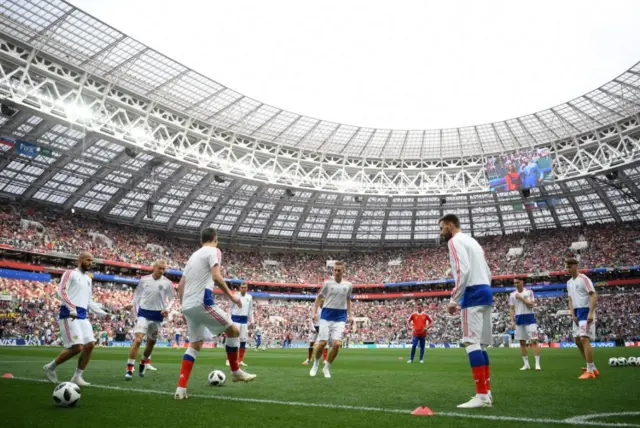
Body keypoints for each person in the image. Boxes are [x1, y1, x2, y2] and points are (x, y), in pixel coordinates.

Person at [174, 228, 256, 400]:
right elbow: (217, 277)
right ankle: (235, 371)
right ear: (215, 239)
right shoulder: (214, 251)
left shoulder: (193, 256)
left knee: (195, 344)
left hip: (188, 305)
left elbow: (181, 284)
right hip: (203, 301)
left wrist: (183, 307)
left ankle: (181, 389)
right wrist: (232, 297)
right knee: (233, 330)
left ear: (201, 240)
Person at [440, 214, 493, 409]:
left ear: (450, 225)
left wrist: (454, 299)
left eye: (442, 228)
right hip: (486, 290)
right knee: (481, 345)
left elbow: (463, 270)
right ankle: (486, 392)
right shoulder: (474, 242)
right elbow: (488, 271)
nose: (441, 232)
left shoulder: (455, 241)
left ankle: (481, 396)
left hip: (473, 292)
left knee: (471, 342)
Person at [43, 252, 108, 386]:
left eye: (92, 261)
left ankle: (77, 377)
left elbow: (89, 301)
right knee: (77, 347)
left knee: (90, 344)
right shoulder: (70, 273)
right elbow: (61, 291)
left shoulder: (89, 279)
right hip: (69, 314)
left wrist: (104, 314)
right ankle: (50, 367)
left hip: (83, 315)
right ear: (80, 260)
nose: (90, 263)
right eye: (87, 260)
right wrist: (72, 308)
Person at [124, 260, 175, 380]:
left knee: (151, 343)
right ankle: (129, 369)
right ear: (154, 267)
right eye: (160, 268)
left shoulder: (167, 283)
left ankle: (143, 362)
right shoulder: (144, 279)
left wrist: (167, 309)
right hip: (143, 313)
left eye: (164, 269)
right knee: (138, 340)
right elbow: (137, 294)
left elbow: (172, 298)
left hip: (158, 316)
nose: (162, 271)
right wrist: (132, 304)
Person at [310, 261, 352, 379]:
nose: (336, 272)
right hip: (327, 314)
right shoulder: (327, 283)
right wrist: (314, 312)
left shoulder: (348, 285)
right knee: (322, 343)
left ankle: (327, 367)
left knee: (337, 344)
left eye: (339, 270)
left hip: (340, 316)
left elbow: (348, 299)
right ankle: (316, 363)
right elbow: (319, 297)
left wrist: (350, 315)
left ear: (343, 271)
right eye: (335, 270)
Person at [566, 258, 599, 379]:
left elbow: (594, 294)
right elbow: (570, 298)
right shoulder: (569, 282)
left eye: (570, 266)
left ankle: (590, 371)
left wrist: (591, 313)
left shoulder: (584, 279)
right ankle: (592, 367)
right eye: (567, 267)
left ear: (575, 266)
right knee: (577, 340)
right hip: (576, 313)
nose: (568, 269)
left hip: (585, 311)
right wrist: (571, 313)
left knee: (584, 338)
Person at [509, 278, 541, 371]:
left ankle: (537, 364)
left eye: (518, 282)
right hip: (519, 319)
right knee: (522, 343)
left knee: (534, 341)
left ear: (522, 282)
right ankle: (526, 364)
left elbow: (531, 304)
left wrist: (521, 298)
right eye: (514, 283)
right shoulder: (512, 294)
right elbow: (511, 308)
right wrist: (512, 321)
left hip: (530, 318)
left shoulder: (529, 292)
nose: (516, 284)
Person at [226, 283, 253, 367]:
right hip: (235, 320)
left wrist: (252, 320)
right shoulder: (235, 296)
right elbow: (230, 308)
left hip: (244, 321)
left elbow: (250, 309)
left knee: (243, 341)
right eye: (242, 287)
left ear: (247, 288)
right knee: (233, 340)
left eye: (245, 287)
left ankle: (240, 360)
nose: (243, 289)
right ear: (239, 288)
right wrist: (229, 320)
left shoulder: (249, 297)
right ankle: (228, 359)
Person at [303, 296, 328, 365]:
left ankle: (325, 360)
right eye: (321, 301)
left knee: (325, 344)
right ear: (319, 302)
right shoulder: (316, 309)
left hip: (323, 327)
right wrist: (313, 328)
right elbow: (311, 319)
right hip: (315, 327)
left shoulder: (326, 310)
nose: (322, 303)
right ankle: (309, 358)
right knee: (311, 343)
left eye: (323, 301)